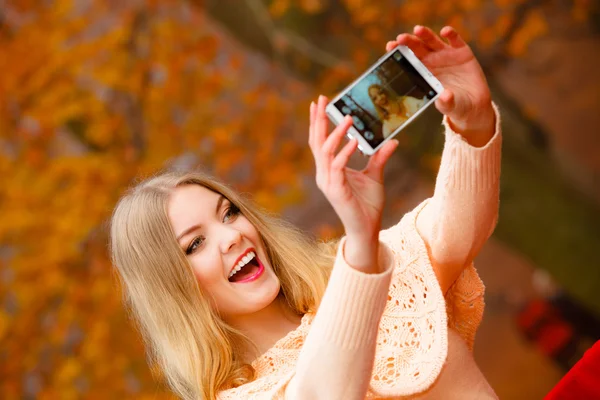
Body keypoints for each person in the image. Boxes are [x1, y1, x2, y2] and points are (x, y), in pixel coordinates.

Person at [110, 25, 502, 399]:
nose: (232, 236)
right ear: (171, 288)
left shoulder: (345, 272)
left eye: (228, 213)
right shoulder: (245, 394)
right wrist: (361, 249)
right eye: (195, 244)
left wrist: (474, 123)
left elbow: (453, 234)